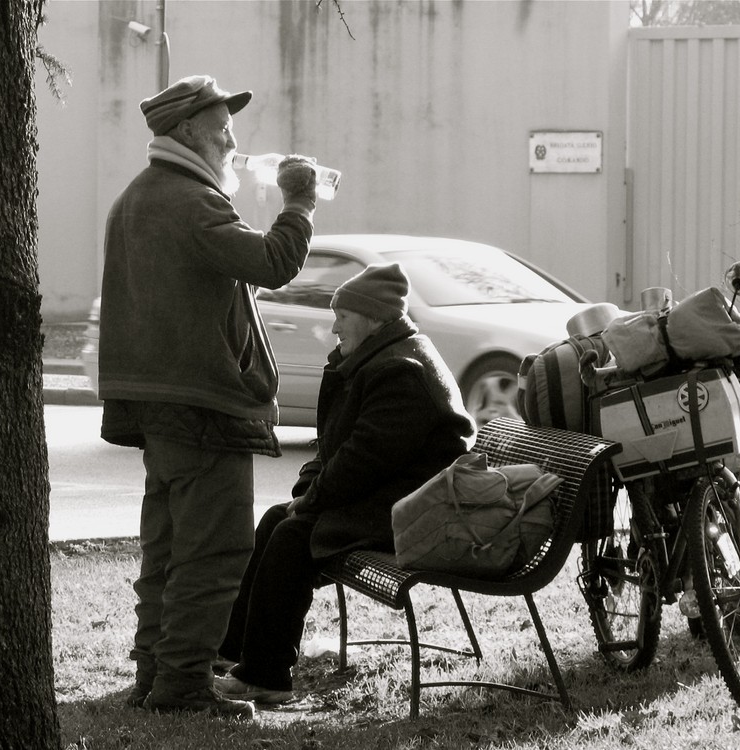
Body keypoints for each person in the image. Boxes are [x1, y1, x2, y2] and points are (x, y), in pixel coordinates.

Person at [97, 74, 319, 719]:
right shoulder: (192, 201)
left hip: (160, 402)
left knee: (167, 547)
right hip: (201, 400)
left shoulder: (140, 196)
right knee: (215, 550)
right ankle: (182, 685)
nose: (232, 139)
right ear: (189, 130)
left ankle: (155, 674)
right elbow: (275, 262)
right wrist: (300, 202)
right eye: (222, 126)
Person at [214, 263, 476, 704]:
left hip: (416, 511)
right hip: (390, 497)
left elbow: (362, 461)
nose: (333, 326)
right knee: (280, 519)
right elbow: (336, 449)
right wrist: (307, 495)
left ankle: (266, 676)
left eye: (343, 316)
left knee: (295, 535)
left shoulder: (401, 370)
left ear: (373, 319)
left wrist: (312, 503)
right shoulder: (378, 358)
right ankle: (231, 654)